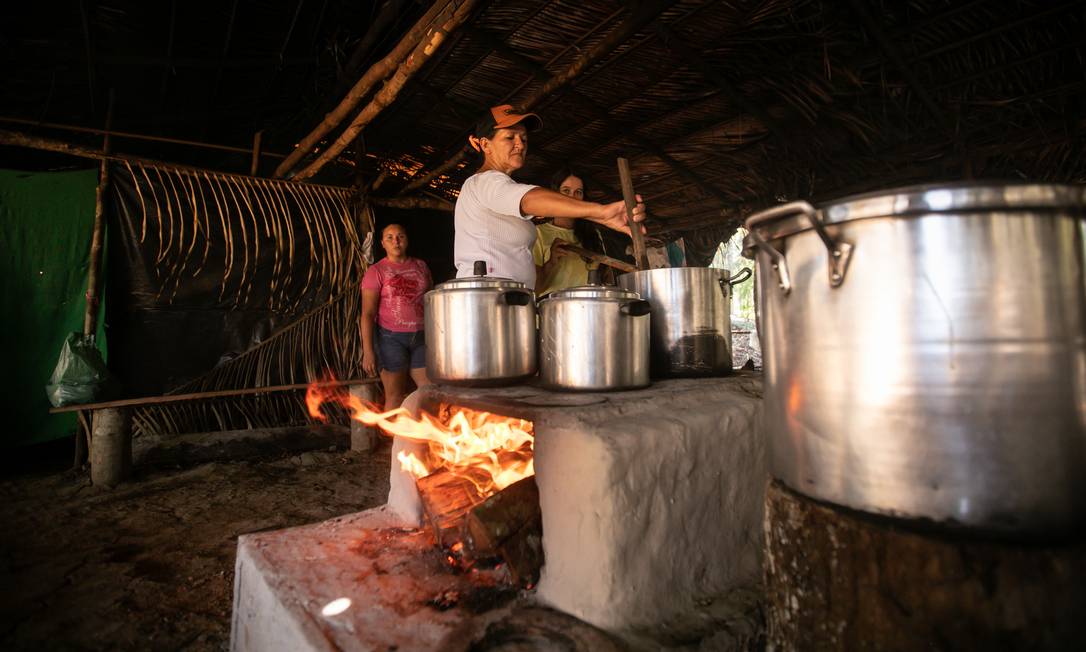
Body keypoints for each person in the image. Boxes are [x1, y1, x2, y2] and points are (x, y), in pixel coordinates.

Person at [453, 104, 645, 287]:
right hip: (485, 303)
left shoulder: (498, 193)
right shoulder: (483, 182)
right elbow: (528, 199)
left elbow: (537, 285)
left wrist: (601, 217)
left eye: (524, 138)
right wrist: (601, 212)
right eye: (510, 137)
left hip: (512, 302)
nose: (520, 144)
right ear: (486, 144)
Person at [360, 223, 432, 411]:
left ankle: (424, 437)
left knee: (428, 392)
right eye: (390, 237)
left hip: (422, 337)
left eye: (400, 236)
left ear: (407, 240)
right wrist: (368, 352)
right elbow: (367, 314)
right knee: (395, 395)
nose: (396, 241)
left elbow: (431, 300)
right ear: (383, 243)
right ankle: (390, 440)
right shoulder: (376, 272)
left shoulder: (421, 266)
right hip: (390, 338)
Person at [532, 167, 598, 295]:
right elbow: (534, 290)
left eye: (578, 192)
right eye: (566, 191)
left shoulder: (593, 235)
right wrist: (551, 262)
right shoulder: (537, 234)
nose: (572, 198)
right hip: (551, 311)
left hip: (587, 310)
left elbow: (604, 279)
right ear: (554, 194)